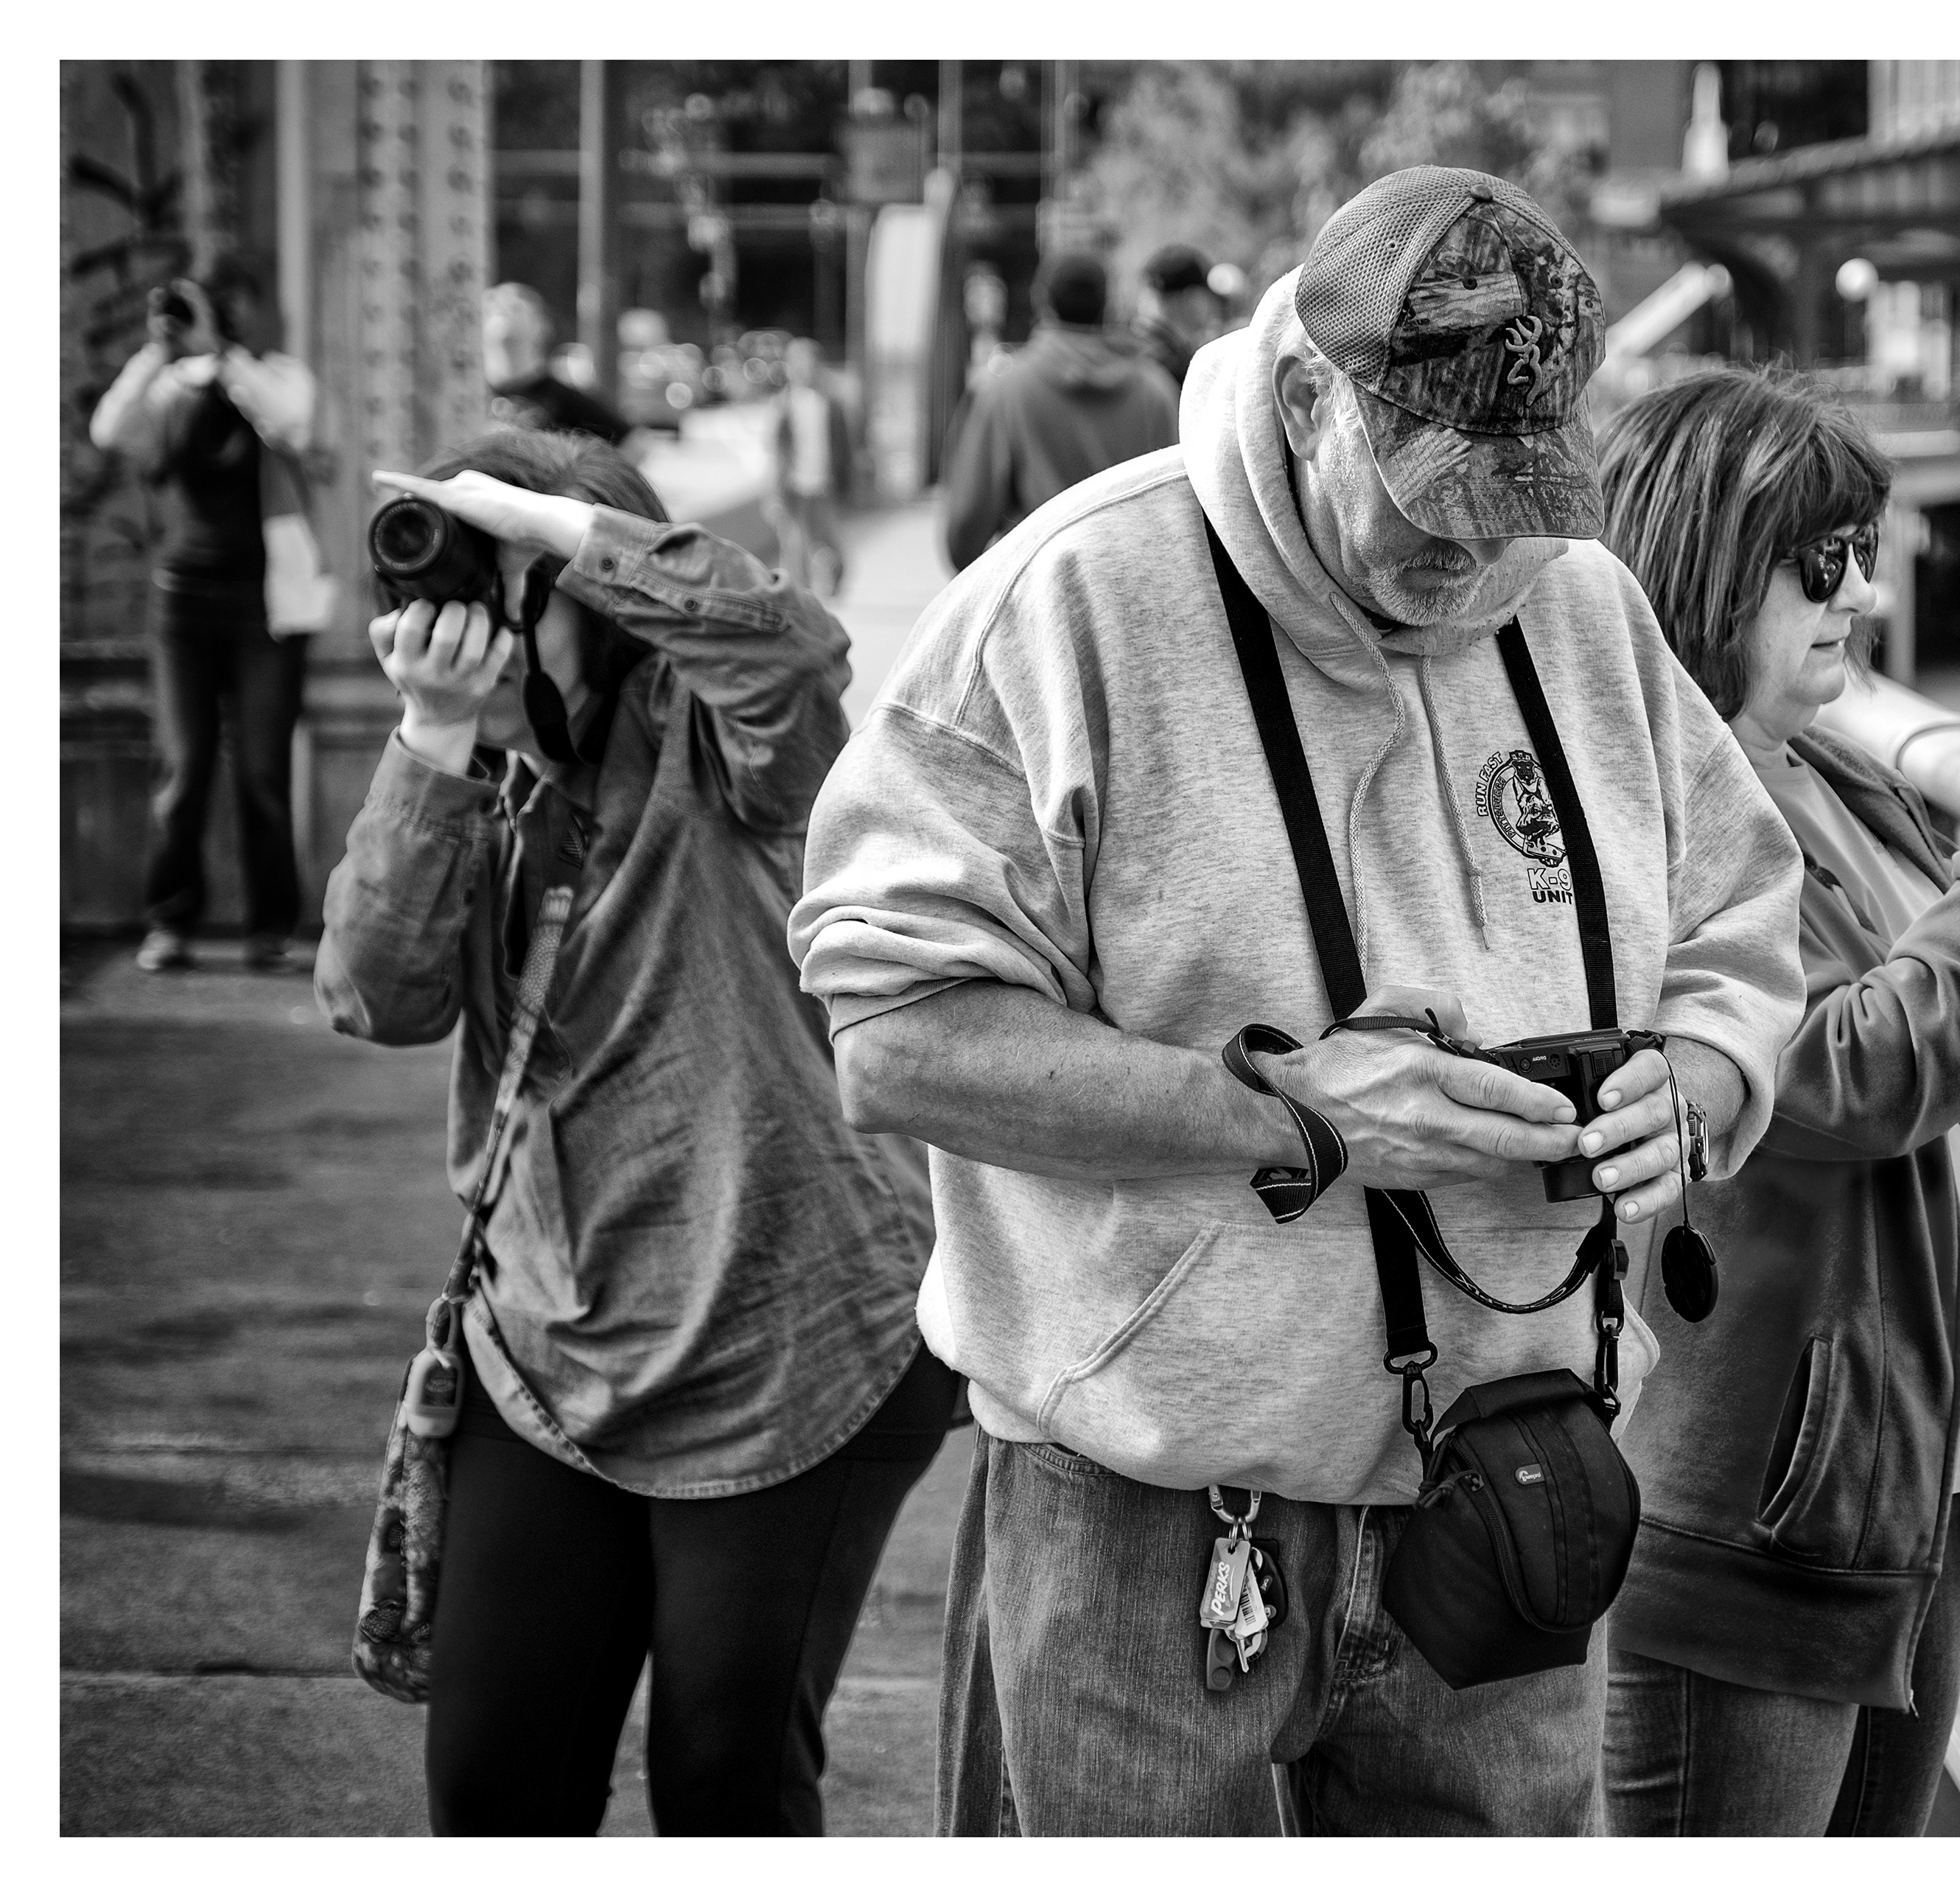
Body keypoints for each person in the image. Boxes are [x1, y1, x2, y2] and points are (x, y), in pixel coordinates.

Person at [791, 166, 1807, 1836]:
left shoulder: (1583, 602)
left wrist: (1696, 1078)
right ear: (1297, 396)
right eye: (1429, 506)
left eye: (1520, 502)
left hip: (1514, 1492)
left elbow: (1741, 923)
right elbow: (895, 1042)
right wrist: (1298, 1114)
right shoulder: (1065, 604)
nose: (1473, 558)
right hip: (1150, 1508)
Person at [1589, 367, 1960, 1834]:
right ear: (1705, 561)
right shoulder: (1652, 829)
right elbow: (1861, 1074)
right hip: (1754, 1519)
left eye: (1867, 554)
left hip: (1904, 1491)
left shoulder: (1835, 784)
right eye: (1822, 562)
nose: (1860, 595)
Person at [314, 430, 949, 1835]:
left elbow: (788, 645)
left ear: (598, 595)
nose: (465, 627)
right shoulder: (471, 779)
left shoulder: (726, 745)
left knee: (723, 1784)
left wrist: (551, 529)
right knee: (496, 1788)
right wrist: (430, 738)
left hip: (791, 1344)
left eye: (504, 589)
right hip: (551, 1347)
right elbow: (375, 991)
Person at [89, 254, 322, 974]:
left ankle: (270, 930)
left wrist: (223, 358)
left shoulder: (278, 378)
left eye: (224, 307)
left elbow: (293, 424)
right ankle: (170, 923)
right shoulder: (169, 387)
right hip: (182, 605)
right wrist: (160, 352)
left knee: (261, 773)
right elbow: (110, 430)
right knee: (184, 769)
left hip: (265, 608)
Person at [939, 249, 1180, 572]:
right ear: (1108, 306)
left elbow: (967, 525)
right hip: (1135, 588)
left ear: (1043, 304)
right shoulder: (1156, 391)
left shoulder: (1007, 391)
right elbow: (1179, 509)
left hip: (1039, 590)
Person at [482, 282, 631, 445]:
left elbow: (635, 446)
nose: (503, 309)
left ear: (542, 327)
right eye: (493, 305)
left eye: (516, 307)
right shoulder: (462, 396)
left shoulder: (567, 401)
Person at [767, 338, 853, 598]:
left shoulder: (831, 403)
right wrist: (773, 491)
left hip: (824, 485)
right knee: (795, 548)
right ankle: (800, 599)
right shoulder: (783, 405)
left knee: (832, 544)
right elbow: (775, 453)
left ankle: (836, 579)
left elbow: (843, 447)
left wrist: (848, 483)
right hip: (794, 487)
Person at [1135, 241, 1227, 394]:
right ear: (1191, 298)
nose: (1212, 306)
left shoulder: (1129, 352)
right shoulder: (1178, 368)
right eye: (1207, 296)